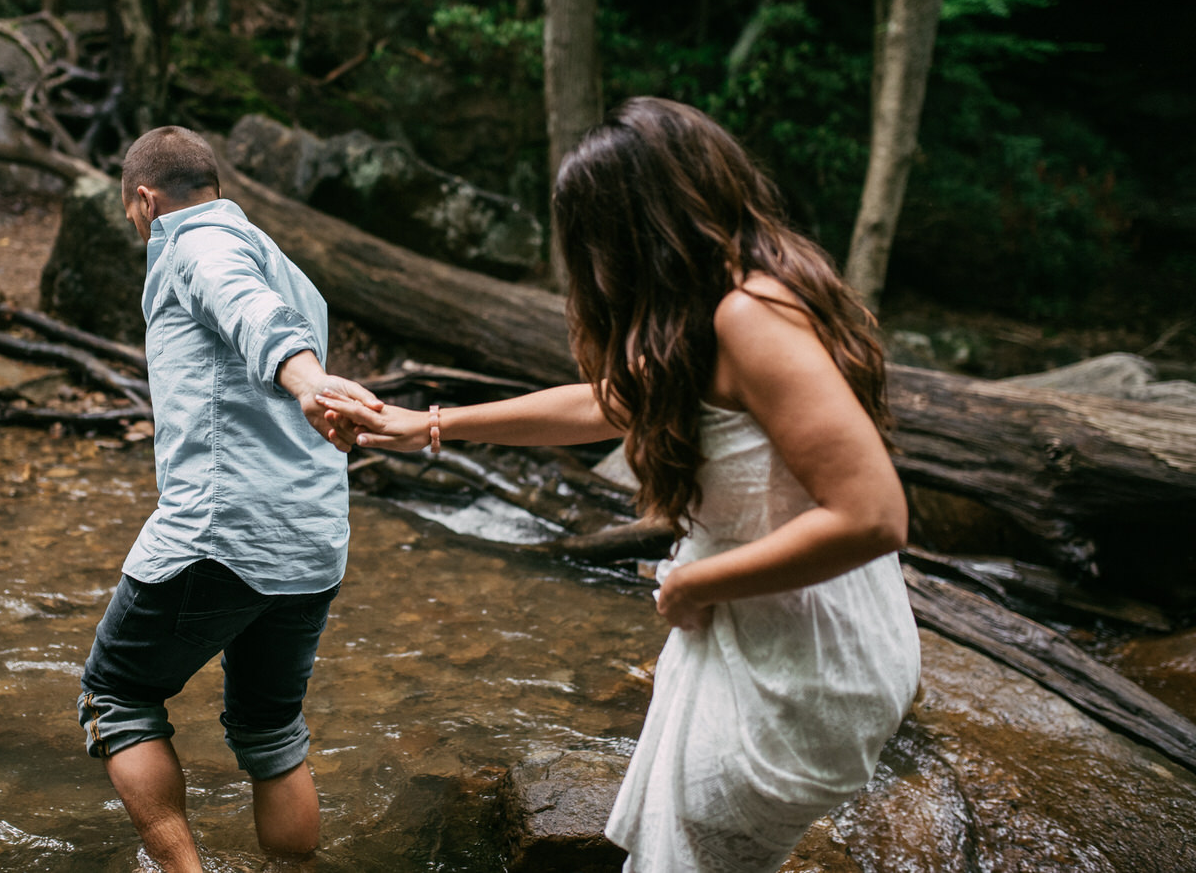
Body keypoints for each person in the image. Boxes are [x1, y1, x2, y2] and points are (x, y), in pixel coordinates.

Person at [319, 97, 921, 873]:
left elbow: (873, 516)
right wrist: (427, 424)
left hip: (805, 659)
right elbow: (603, 401)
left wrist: (699, 582)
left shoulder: (751, 316)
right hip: (775, 638)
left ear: (629, 234)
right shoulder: (711, 311)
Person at [76, 126, 379, 872]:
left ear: (145, 200)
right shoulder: (285, 265)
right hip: (311, 543)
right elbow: (257, 304)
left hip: (222, 533)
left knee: (115, 696)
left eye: (130, 213)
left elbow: (242, 306)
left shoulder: (195, 245)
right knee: (271, 729)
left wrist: (308, 382)